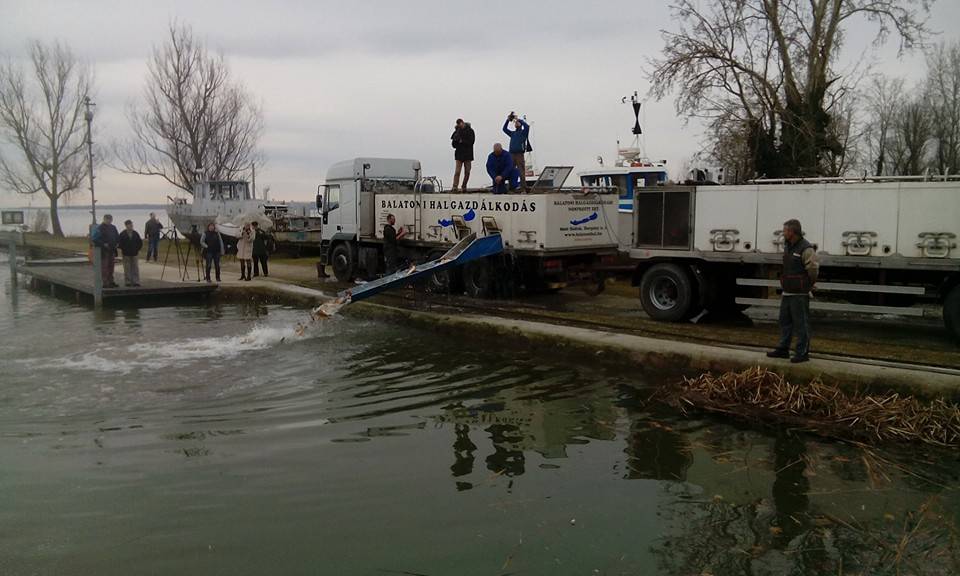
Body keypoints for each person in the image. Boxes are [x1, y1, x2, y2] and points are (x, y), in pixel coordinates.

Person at [767, 219, 819, 363]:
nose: (783, 233)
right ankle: (783, 349)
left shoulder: (806, 248)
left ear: (791, 232)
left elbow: (813, 269)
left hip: (799, 293)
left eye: (785, 231)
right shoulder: (788, 246)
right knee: (785, 321)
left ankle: (802, 353)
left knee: (801, 323)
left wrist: (810, 283)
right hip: (788, 291)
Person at [91, 214, 120, 288]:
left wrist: (117, 243)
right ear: (104, 219)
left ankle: (111, 281)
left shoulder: (113, 227)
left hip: (112, 249)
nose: (109, 221)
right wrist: (103, 244)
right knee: (105, 267)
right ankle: (105, 282)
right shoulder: (100, 228)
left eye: (110, 219)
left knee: (111, 267)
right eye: (107, 219)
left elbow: (117, 236)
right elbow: (94, 239)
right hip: (104, 251)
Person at [502, 113, 530, 189]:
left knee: (521, 171)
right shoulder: (513, 133)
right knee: (510, 170)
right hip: (511, 154)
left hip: (519, 154)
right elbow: (504, 129)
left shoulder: (523, 133)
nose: (516, 123)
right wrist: (508, 120)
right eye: (516, 123)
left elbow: (527, 127)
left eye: (518, 123)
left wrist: (519, 120)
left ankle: (523, 187)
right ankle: (511, 186)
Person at [451, 118, 475, 191]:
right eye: (458, 123)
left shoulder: (470, 131)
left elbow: (471, 142)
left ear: (463, 122)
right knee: (457, 172)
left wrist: (462, 141)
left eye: (460, 123)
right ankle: (455, 187)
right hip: (459, 155)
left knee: (467, 172)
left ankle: (464, 186)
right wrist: (456, 141)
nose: (460, 124)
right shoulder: (457, 132)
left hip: (468, 155)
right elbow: (453, 145)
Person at [117, 219, 143, 287]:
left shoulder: (135, 233)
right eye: (129, 225)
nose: (131, 226)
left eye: (131, 225)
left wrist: (137, 249)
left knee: (135, 268)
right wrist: (123, 249)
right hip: (126, 253)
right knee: (127, 268)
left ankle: (136, 281)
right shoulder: (122, 234)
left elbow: (140, 242)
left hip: (134, 253)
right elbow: (119, 243)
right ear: (126, 226)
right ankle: (128, 281)